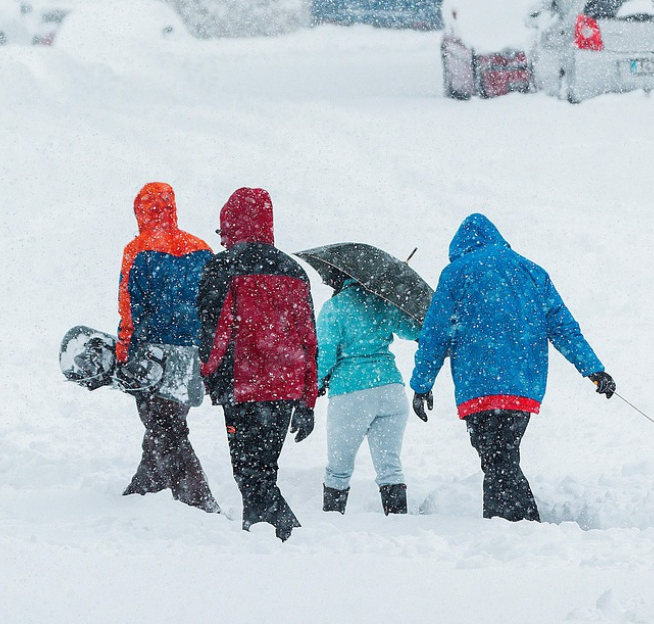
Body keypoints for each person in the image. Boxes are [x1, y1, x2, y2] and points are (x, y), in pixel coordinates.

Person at [409, 213, 615, 522]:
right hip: (522, 385)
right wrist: (593, 369)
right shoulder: (532, 272)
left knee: (497, 460)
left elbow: (435, 335)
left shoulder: (455, 274)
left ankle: (513, 526)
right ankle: (518, 526)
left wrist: (422, 384)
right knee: (502, 457)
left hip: (477, 386)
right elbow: (564, 328)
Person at [197, 187, 317, 541]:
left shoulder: (222, 267)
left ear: (231, 224)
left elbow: (213, 332)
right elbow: (309, 339)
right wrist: (307, 401)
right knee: (263, 471)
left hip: (243, 387)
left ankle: (282, 538)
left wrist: (206, 375)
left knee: (250, 474)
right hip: (285, 388)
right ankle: (264, 540)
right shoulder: (295, 271)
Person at [116, 182, 219, 513]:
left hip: (155, 352)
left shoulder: (138, 249)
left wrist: (124, 349)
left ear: (140, 212)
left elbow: (129, 307)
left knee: (166, 428)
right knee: (166, 422)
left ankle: (199, 501)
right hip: (193, 352)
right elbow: (214, 303)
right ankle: (145, 487)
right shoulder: (201, 248)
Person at [316, 274, 420, 515]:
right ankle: (398, 522)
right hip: (390, 389)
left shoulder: (334, 307)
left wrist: (317, 383)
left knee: (338, 469)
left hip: (351, 393)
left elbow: (326, 353)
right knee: (390, 468)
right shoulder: (383, 301)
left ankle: (331, 522)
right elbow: (412, 329)